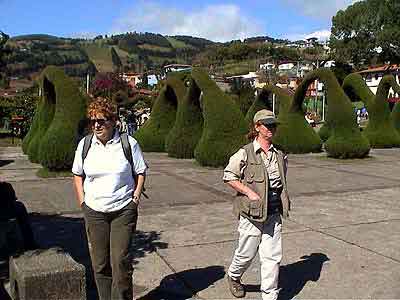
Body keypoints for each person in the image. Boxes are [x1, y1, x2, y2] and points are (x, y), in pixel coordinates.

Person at [72, 97, 147, 300]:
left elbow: (140, 171)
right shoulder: (85, 145)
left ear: (113, 121)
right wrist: (83, 202)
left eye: (102, 120)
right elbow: (77, 174)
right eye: (93, 120)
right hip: (94, 211)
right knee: (100, 263)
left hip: (123, 210)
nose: (96, 125)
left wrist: (135, 198)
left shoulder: (128, 143)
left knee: (120, 262)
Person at [223, 109, 291, 300]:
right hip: (251, 213)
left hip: (274, 211)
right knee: (246, 253)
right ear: (257, 127)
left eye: (273, 125)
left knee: (272, 257)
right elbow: (228, 176)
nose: (271, 128)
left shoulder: (280, 154)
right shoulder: (244, 153)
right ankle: (234, 276)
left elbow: (281, 180)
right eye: (267, 125)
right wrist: (249, 192)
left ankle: (269, 295)